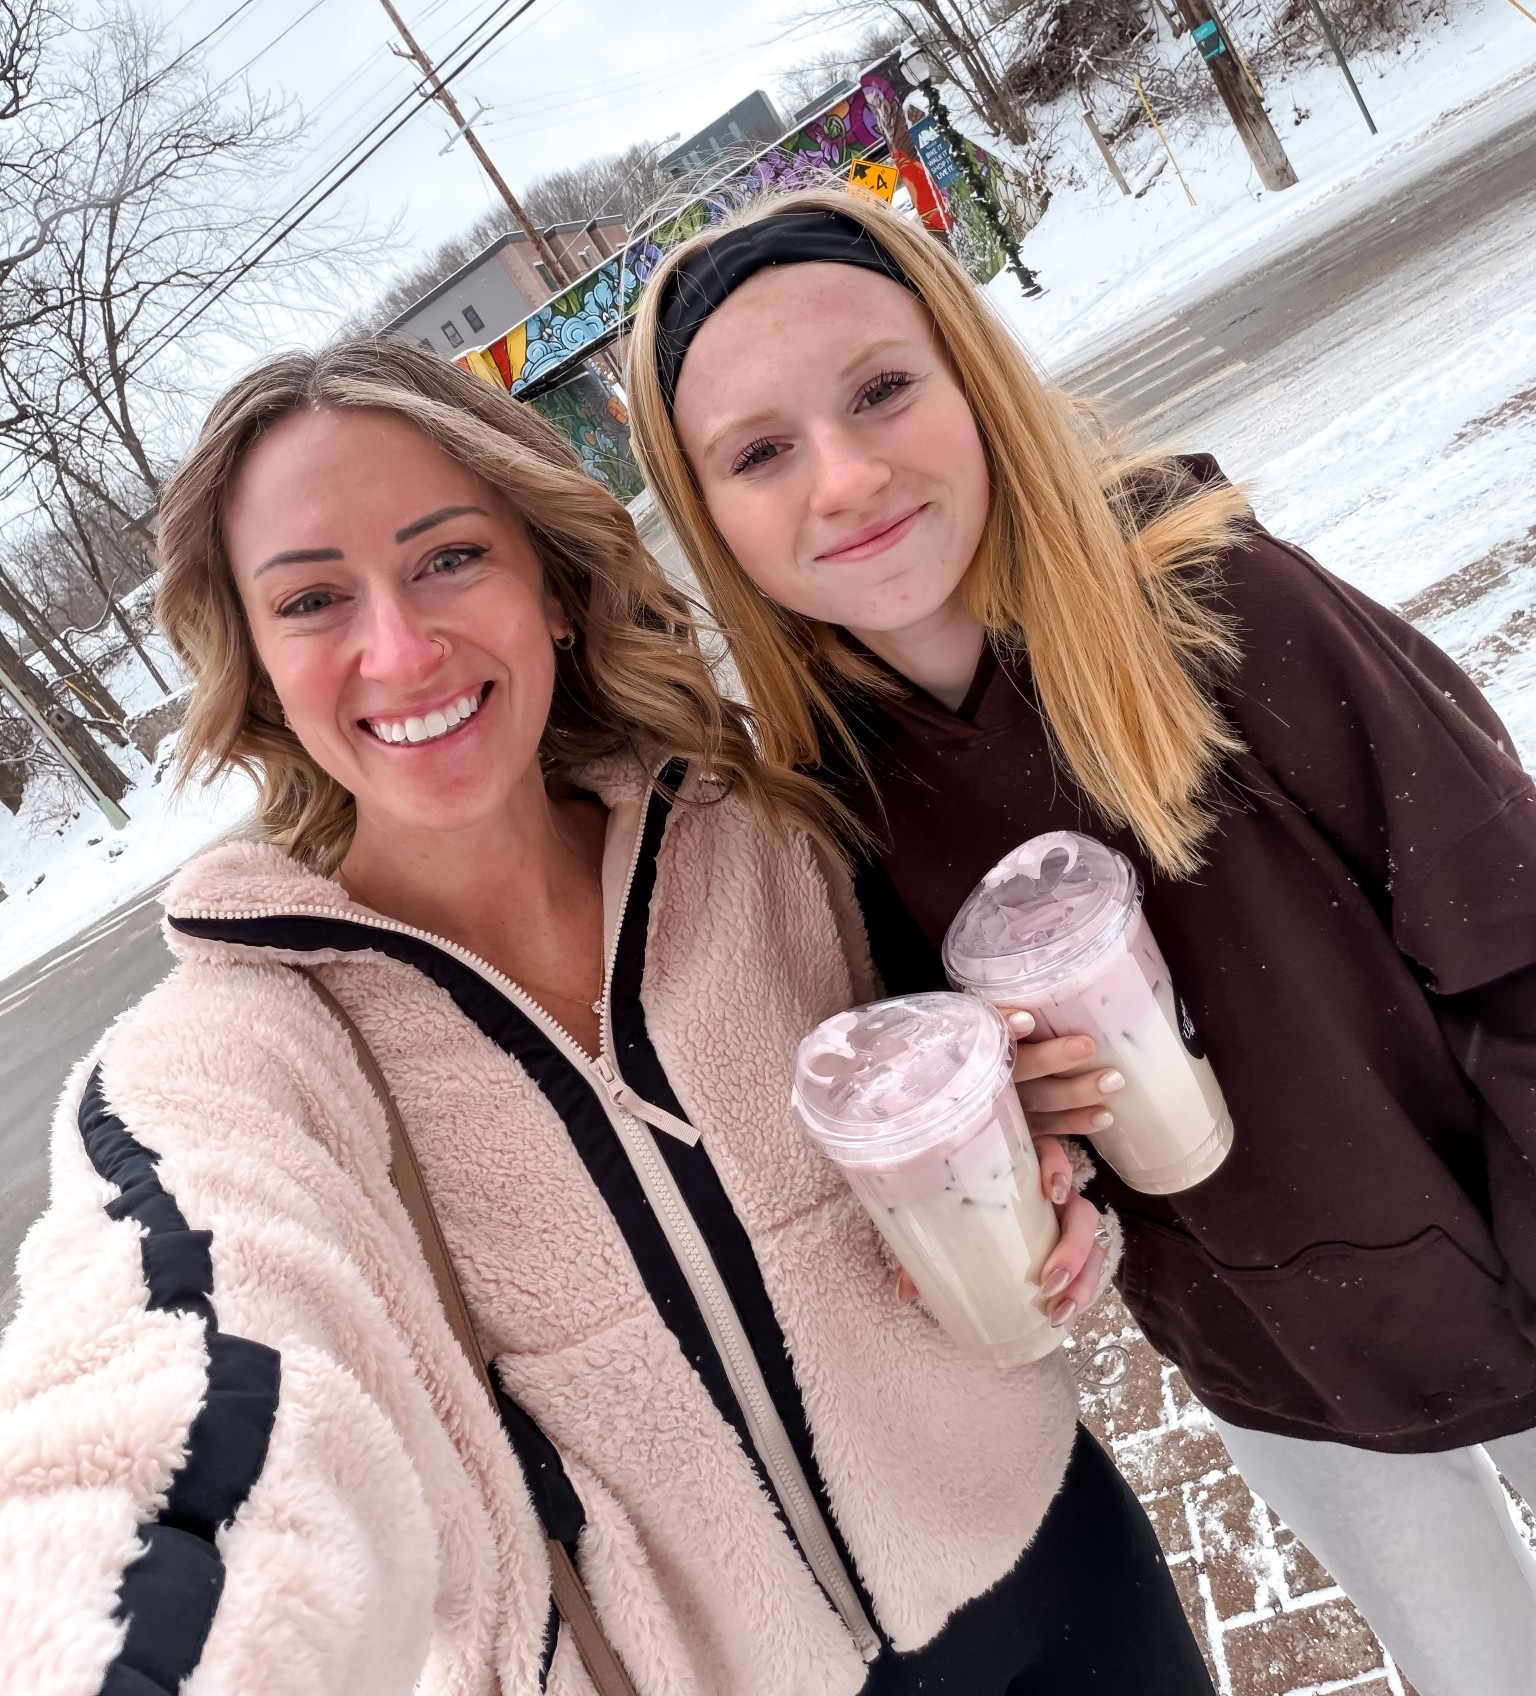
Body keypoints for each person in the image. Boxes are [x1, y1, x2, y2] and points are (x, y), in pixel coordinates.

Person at [0, 340, 1214, 1696]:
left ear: (552, 586)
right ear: (257, 663)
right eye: (312, 599)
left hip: (1061, 1573)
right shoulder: (241, 1055)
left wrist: (1035, 1170)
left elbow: (980, 1084)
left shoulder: (769, 832)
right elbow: (167, 1377)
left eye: (449, 558)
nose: (398, 648)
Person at [626, 185, 1536, 1696]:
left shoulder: (1213, 605)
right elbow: (966, 1140)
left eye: (881, 389)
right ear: (711, 515)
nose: (845, 479)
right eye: (761, 452)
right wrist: (1025, 1179)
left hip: (1494, 1252)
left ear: (972, 377)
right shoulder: (825, 804)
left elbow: (1505, 922)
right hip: (1272, 1357)